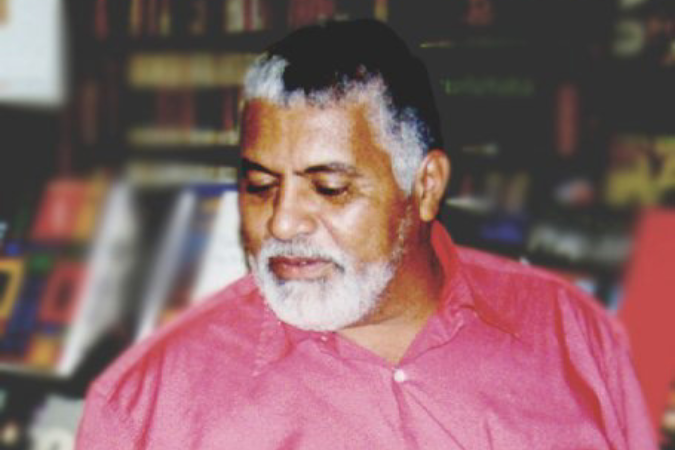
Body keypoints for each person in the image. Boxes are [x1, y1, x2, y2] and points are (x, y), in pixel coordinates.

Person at [76, 20, 657, 449]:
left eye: (329, 188)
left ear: (425, 186)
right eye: (259, 186)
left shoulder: (576, 339)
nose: (282, 222)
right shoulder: (144, 407)